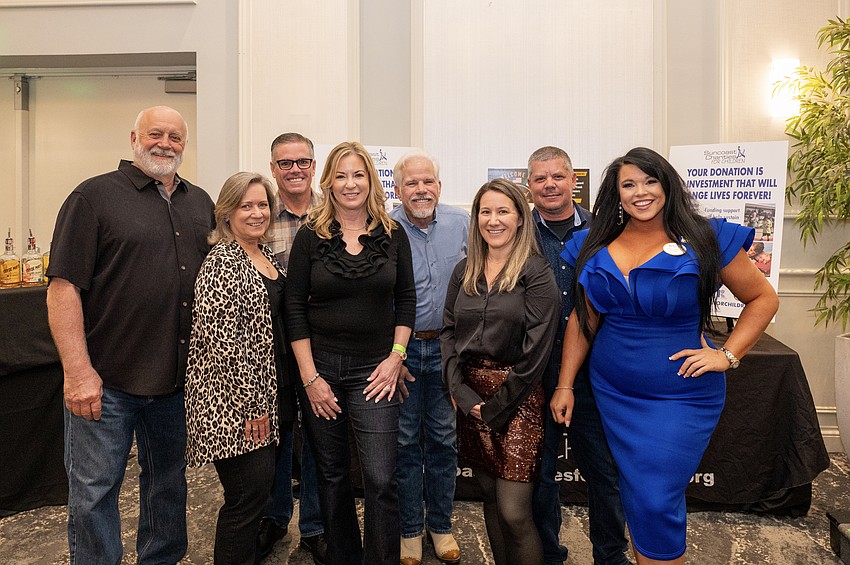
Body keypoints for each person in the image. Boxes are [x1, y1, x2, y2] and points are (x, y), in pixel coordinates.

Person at [551, 147, 779, 564]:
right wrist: (566, 383)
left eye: (650, 181)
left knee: (655, 497)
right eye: (629, 184)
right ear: (615, 194)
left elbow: (763, 298)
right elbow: (582, 321)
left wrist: (726, 355)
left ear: (667, 184)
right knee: (639, 494)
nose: (641, 192)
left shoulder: (705, 236)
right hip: (613, 393)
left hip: (682, 396)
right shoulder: (594, 243)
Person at [46, 106, 214, 564]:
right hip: (107, 381)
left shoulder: (200, 202)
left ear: (185, 144)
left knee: (168, 485)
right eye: (155, 134)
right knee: (95, 493)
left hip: (177, 383)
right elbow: (62, 289)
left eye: (175, 137)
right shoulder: (93, 197)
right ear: (134, 137)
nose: (165, 143)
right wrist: (78, 372)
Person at [285, 141, 416, 565]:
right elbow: (294, 307)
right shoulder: (310, 236)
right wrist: (310, 378)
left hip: (377, 370)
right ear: (329, 182)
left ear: (371, 180)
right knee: (332, 474)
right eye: (340, 175)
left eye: (358, 174)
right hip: (320, 370)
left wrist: (396, 357)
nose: (350, 183)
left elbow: (407, 299)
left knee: (380, 478)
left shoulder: (393, 235)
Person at [441, 178, 560, 565]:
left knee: (514, 511)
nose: (493, 220)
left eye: (503, 211)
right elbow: (448, 332)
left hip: (518, 400)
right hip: (469, 398)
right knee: (489, 501)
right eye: (485, 212)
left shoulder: (536, 272)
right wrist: (462, 395)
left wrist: (493, 408)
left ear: (521, 219)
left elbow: (537, 351)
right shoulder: (464, 270)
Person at [526, 146, 630, 565]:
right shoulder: (517, 231)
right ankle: (549, 554)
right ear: (529, 185)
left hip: (597, 370)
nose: (549, 185)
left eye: (557, 176)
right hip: (534, 368)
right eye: (539, 178)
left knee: (604, 473)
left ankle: (611, 555)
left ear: (574, 181)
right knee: (540, 475)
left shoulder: (607, 229)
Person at [185, 172, 286, 564]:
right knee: (245, 502)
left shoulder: (266, 255)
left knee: (255, 498)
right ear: (226, 212)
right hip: (233, 408)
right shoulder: (223, 262)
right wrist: (255, 404)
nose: (257, 212)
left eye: (263, 205)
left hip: (261, 400)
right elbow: (224, 345)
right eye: (247, 205)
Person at [389, 151, 468, 565]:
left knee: (442, 441)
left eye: (428, 182)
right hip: (398, 353)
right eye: (412, 184)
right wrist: (394, 352)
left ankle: (440, 525)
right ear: (398, 189)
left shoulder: (461, 224)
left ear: (439, 186)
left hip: (446, 349)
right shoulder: (384, 226)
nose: (421, 190)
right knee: (403, 445)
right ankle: (409, 532)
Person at [257, 132, 327, 565]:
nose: (295, 169)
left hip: (325, 349)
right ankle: (275, 517)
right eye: (286, 163)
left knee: (320, 440)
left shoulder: (334, 212)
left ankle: (316, 527)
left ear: (314, 166)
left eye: (303, 161)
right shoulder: (260, 215)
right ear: (273, 168)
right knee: (276, 439)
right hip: (273, 350)